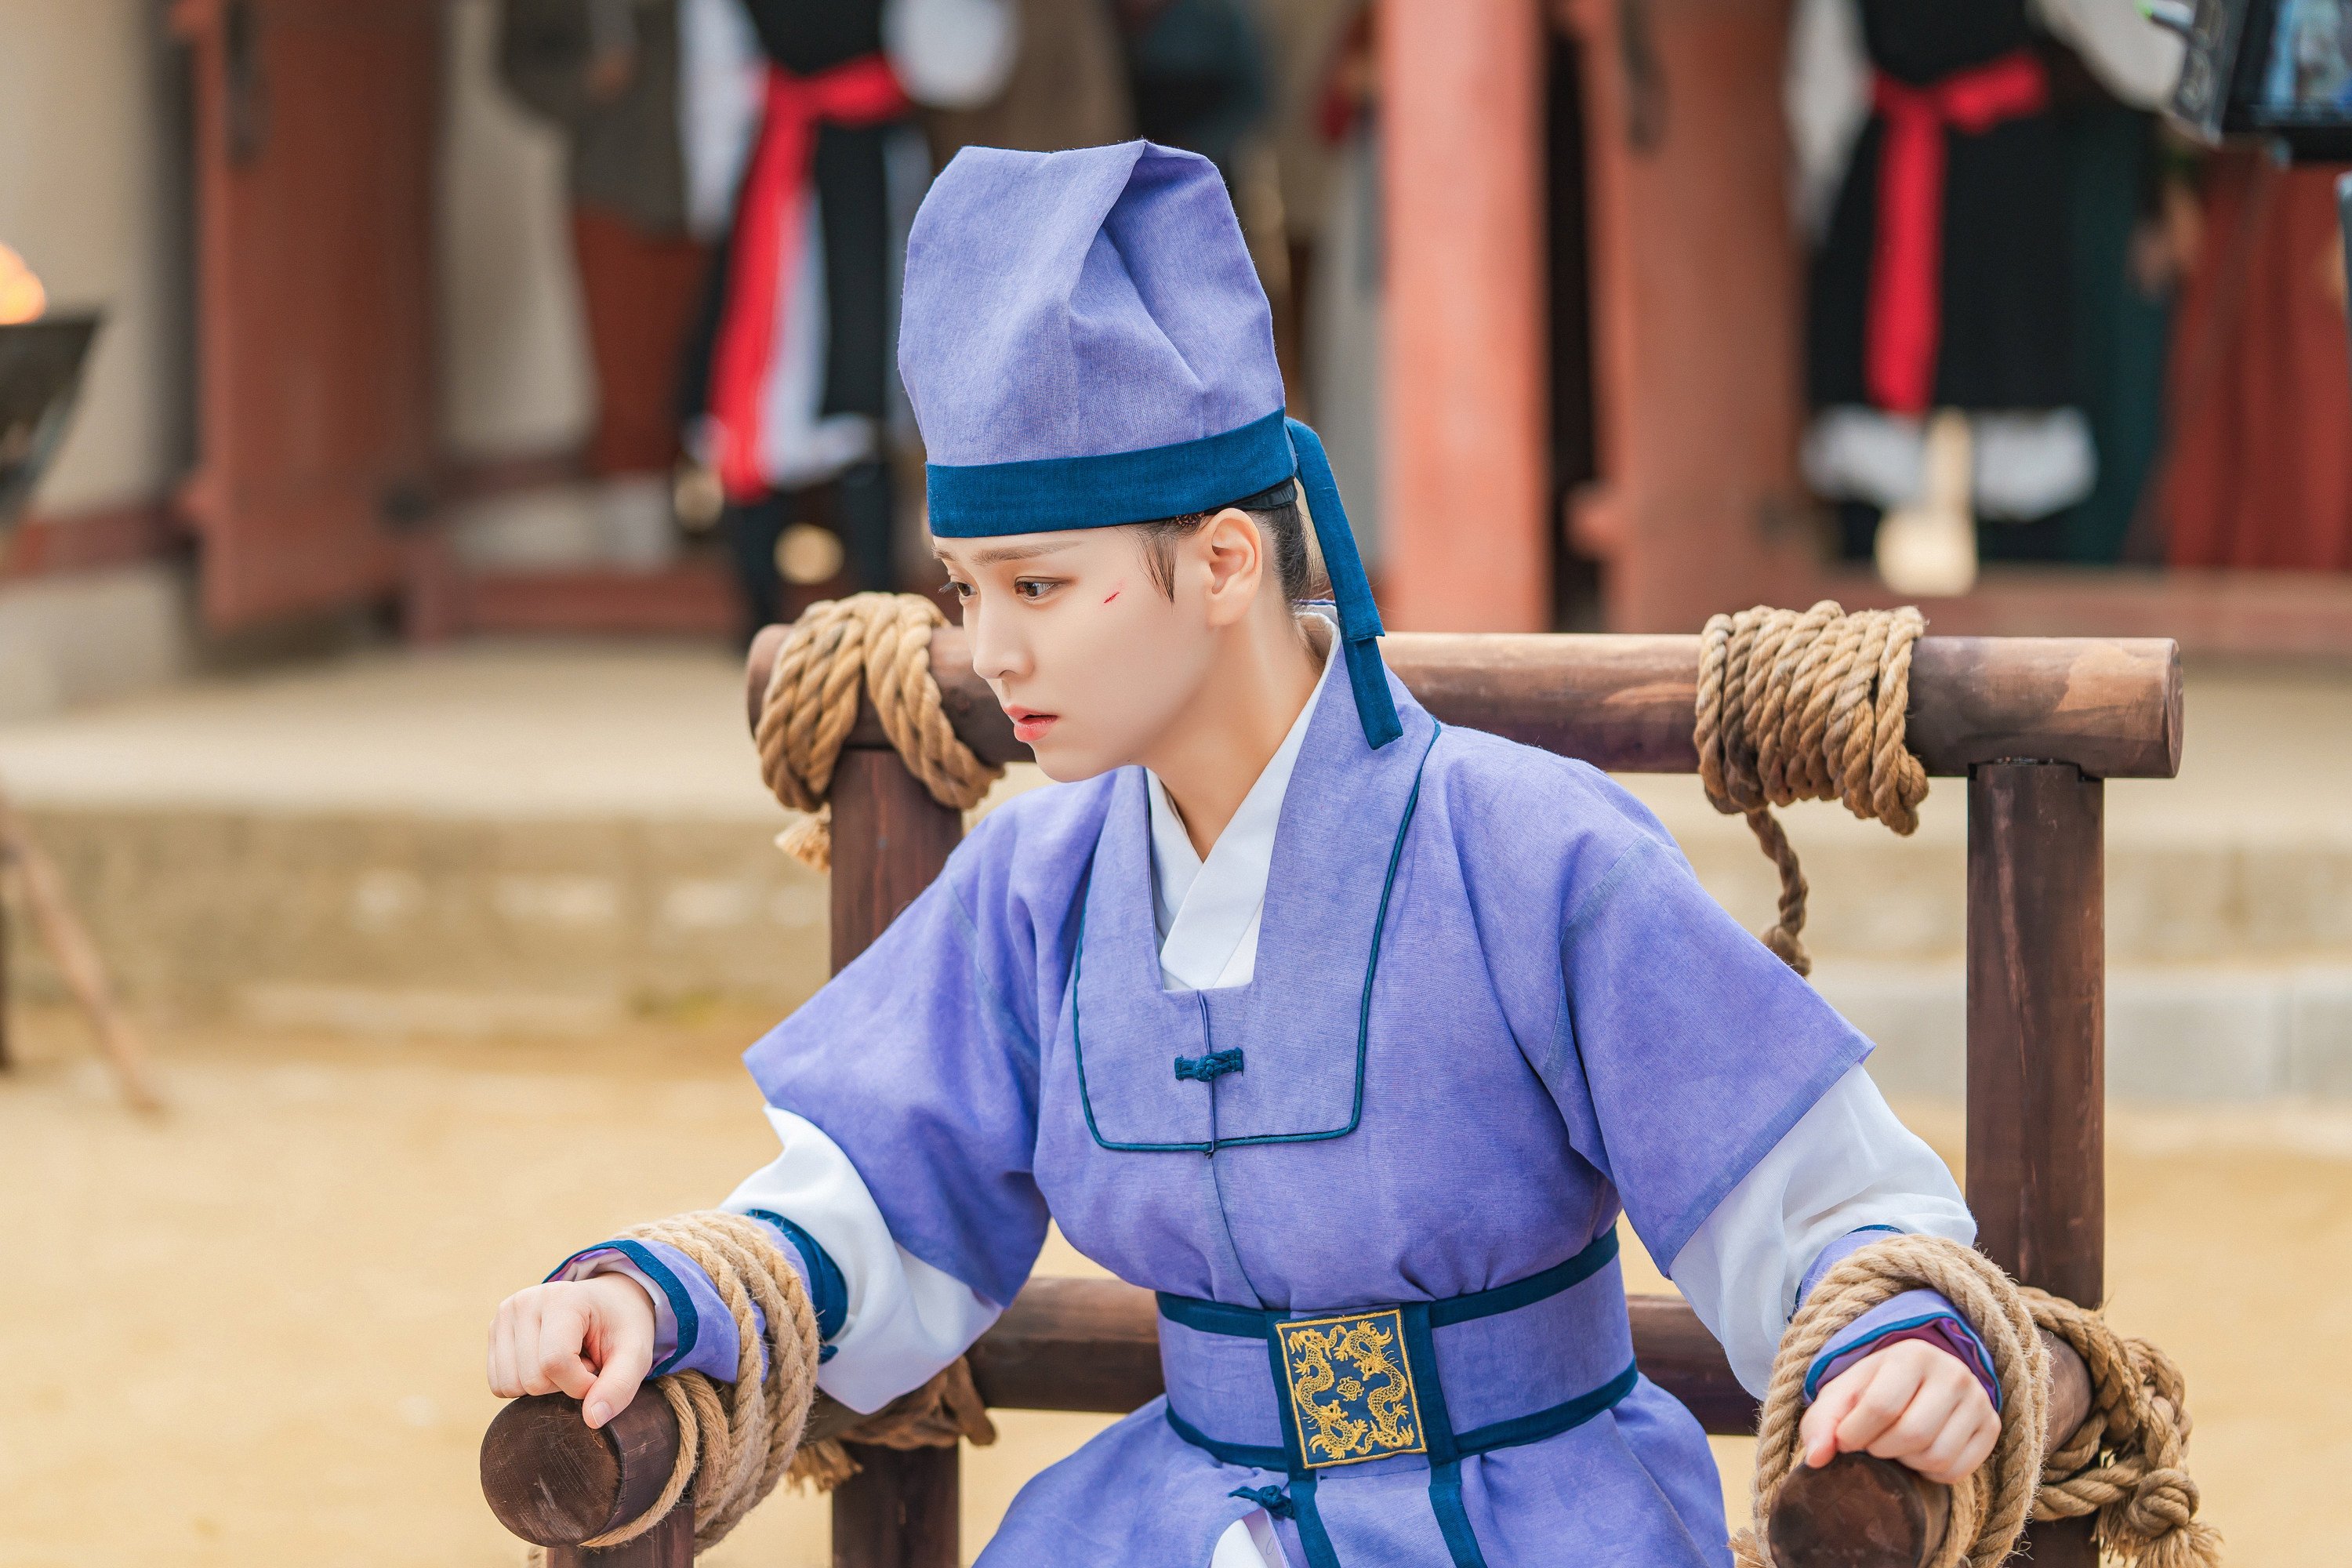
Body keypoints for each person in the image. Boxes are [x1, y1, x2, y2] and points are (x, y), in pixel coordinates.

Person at [487, 141, 2001, 1568]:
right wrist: (655, 1297)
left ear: (1222, 562)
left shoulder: (1531, 853)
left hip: (1537, 1508)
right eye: (964, 587)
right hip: (1165, 1518)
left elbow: (1805, 1193)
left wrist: (1901, 1348)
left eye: (1040, 583)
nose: (988, 647)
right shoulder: (1038, 885)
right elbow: (876, 1201)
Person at [499, 0, 711, 554]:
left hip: (739, 175)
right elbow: (516, 62)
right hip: (618, 184)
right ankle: (642, 569)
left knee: (738, 384)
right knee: (630, 393)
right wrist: (587, 84)